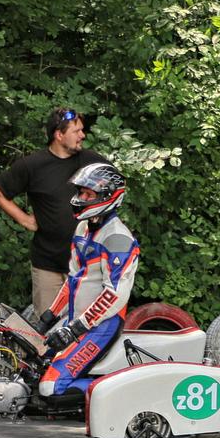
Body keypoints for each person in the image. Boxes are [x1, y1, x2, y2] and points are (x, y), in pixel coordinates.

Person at [34, 162, 139, 404]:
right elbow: (74, 279)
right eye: (81, 192)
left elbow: (113, 296)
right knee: (33, 365)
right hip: (76, 319)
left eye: (88, 194)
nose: (81, 198)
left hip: (101, 326)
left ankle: (124, 392)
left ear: (107, 196)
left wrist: (74, 330)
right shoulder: (83, 227)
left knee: (51, 387)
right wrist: (49, 316)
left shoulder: (117, 238)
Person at [0, 108, 107, 312]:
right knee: (46, 327)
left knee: (87, 326)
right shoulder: (33, 165)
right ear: (59, 135)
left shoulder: (92, 162)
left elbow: (116, 189)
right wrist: (24, 219)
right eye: (76, 131)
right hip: (48, 265)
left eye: (82, 130)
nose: (82, 135)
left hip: (87, 264)